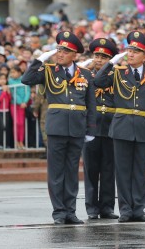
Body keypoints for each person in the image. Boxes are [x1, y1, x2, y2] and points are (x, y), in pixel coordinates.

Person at [21, 31, 97, 225]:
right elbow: (26, 79)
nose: (60, 54)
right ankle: (59, 212)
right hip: (56, 127)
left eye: (65, 51)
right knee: (56, 172)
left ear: (75, 54)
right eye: (59, 50)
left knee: (72, 172)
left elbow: (91, 104)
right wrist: (40, 59)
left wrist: (90, 129)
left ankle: (70, 211)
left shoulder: (85, 74)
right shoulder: (48, 71)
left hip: (77, 128)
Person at [95, 32, 145, 222]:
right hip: (122, 127)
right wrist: (110, 63)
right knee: (123, 171)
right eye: (129, 50)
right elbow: (98, 81)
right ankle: (126, 209)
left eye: (136, 51)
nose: (131, 54)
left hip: (143, 127)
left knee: (139, 171)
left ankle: (139, 209)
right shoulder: (117, 72)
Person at [82, 38, 120, 220]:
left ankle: (107, 207)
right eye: (96, 55)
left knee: (108, 169)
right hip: (91, 127)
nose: (98, 60)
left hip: (111, 126)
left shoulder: (117, 76)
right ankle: (91, 207)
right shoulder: (85, 75)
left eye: (104, 57)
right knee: (90, 170)